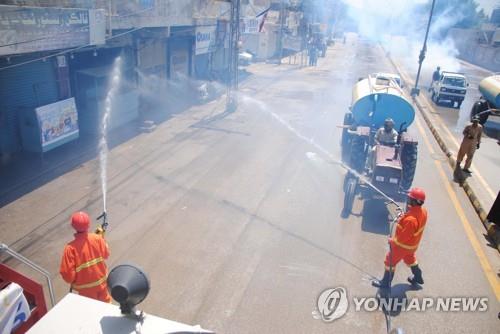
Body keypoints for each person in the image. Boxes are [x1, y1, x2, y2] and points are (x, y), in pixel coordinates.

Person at [372, 188, 428, 288]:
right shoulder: (423, 211)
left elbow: (402, 238)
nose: (408, 200)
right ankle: (418, 277)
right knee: (410, 259)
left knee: (390, 261)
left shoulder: (410, 220)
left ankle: (385, 283)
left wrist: (392, 241)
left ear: (414, 201)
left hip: (403, 246)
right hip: (412, 246)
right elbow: (412, 221)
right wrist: (404, 215)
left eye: (410, 198)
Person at [60, 211, 111, 303]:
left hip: (85, 291)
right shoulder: (97, 239)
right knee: (107, 306)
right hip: (102, 285)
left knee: (91, 311)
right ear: (88, 225)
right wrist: (101, 239)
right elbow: (106, 254)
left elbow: (68, 275)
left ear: (73, 226)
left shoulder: (70, 248)